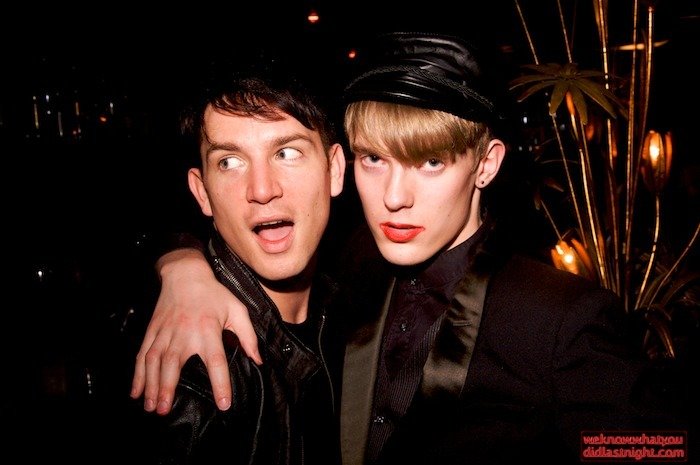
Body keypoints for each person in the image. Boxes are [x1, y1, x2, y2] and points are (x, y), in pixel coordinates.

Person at [132, 33, 682, 464]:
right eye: (374, 159)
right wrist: (183, 264)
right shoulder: (349, 281)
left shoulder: (560, 317)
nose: (394, 198)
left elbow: (655, 448)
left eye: (431, 162)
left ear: (486, 164)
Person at [138, 59, 347, 465]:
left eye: (287, 153)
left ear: (334, 170)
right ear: (202, 192)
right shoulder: (194, 373)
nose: (262, 189)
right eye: (229, 162)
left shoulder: (359, 314)